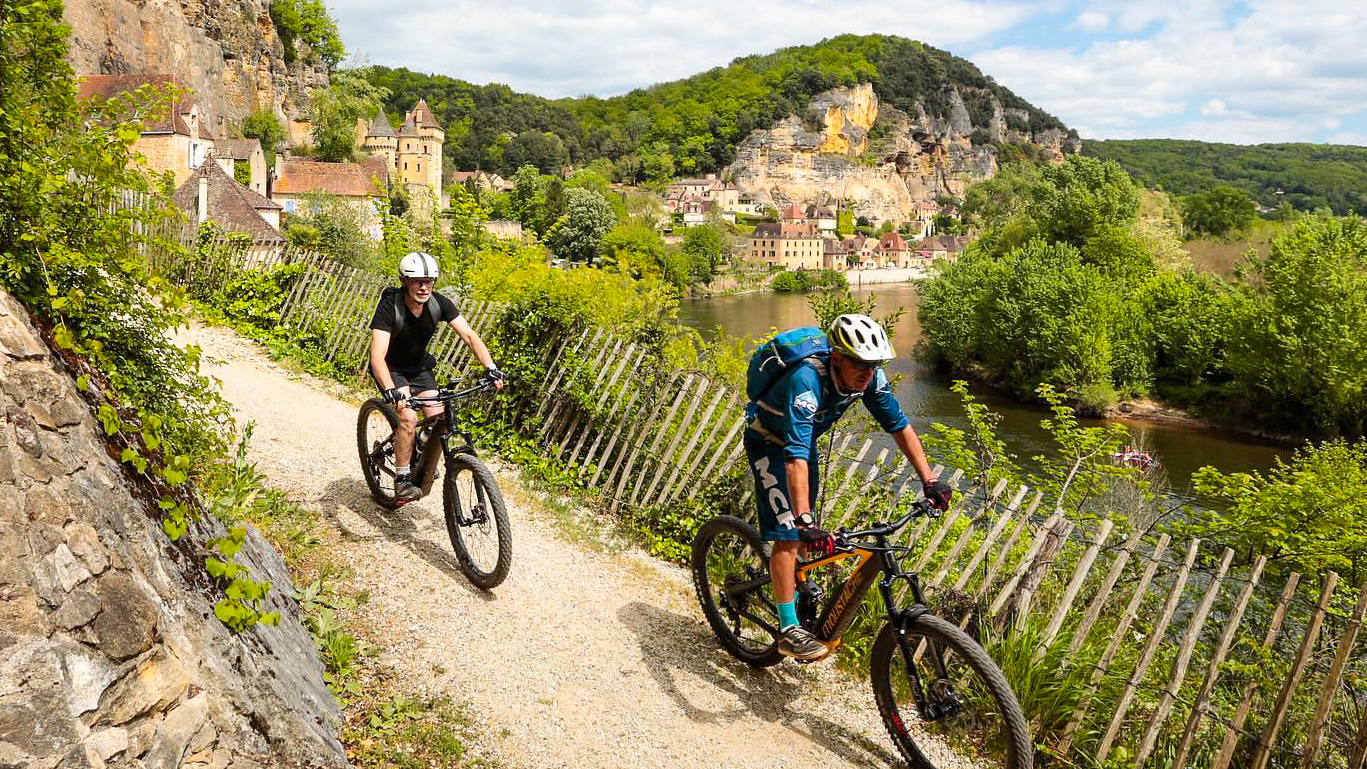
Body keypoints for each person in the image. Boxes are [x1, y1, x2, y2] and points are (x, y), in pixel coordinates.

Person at [744, 314, 952, 660]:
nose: (867, 373)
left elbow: (899, 426)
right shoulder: (806, 378)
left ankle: (797, 583)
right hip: (769, 442)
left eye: (874, 365)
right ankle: (787, 629)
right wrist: (805, 522)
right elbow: (793, 455)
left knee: (804, 529)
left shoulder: (869, 378)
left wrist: (929, 480)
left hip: (801, 445)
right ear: (837, 357)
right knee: (790, 531)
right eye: (860, 364)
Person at [368, 251, 504, 501]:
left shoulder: (439, 303)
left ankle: (416, 449)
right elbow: (377, 355)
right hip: (392, 370)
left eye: (429, 281)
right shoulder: (390, 307)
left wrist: (490, 367)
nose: (423, 287)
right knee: (408, 417)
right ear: (404, 281)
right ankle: (402, 478)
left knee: (437, 417)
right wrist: (391, 390)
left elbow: (470, 337)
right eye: (417, 281)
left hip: (419, 368)